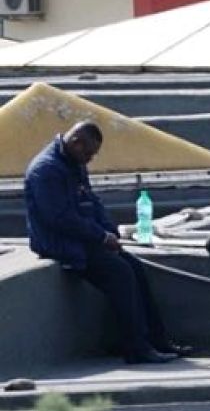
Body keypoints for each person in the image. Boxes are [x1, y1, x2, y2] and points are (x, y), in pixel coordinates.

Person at [24, 121, 192, 364]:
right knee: (121, 274)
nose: (90, 159)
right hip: (59, 243)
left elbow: (91, 202)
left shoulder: (73, 163)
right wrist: (101, 236)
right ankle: (136, 348)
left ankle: (158, 340)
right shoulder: (46, 170)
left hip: (83, 239)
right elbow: (59, 218)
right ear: (75, 142)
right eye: (88, 153)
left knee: (135, 268)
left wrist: (109, 230)